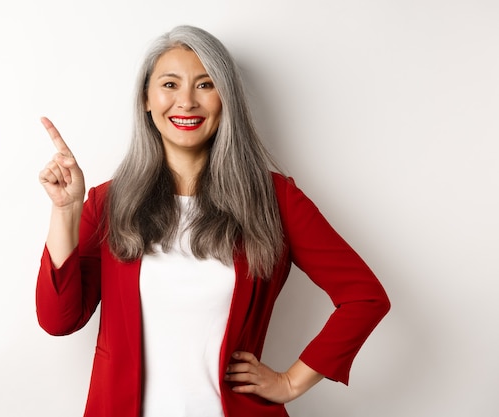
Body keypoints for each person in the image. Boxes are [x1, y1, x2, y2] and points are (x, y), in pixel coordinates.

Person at [36, 25, 390, 417]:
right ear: (146, 100)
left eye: (205, 85)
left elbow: (364, 297)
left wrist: (291, 381)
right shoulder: (107, 202)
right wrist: (65, 211)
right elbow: (59, 320)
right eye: (170, 85)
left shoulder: (275, 200)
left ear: (227, 99)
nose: (186, 102)